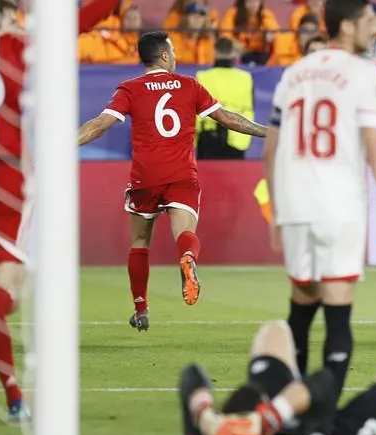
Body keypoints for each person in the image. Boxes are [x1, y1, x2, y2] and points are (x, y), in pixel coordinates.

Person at [77, 31, 269, 332]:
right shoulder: (190, 86)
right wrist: (269, 132)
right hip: (181, 175)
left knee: (140, 242)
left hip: (145, 176)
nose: (176, 55)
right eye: (174, 50)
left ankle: (141, 310)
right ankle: (188, 257)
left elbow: (100, 125)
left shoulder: (129, 88)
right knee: (185, 234)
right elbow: (228, 119)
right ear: (164, 56)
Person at [262, 0, 376, 397]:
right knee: (338, 317)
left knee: (300, 312)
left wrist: (277, 212)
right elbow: (374, 142)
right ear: (347, 26)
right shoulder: (363, 73)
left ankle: (287, 412)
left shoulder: (293, 73)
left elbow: (269, 151)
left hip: (295, 207)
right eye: (367, 20)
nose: (373, 28)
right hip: (338, 205)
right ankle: (322, 421)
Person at [0, 0, 122, 422]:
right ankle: (14, 396)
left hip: (9, 181)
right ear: (10, 13)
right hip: (7, 184)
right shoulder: (21, 44)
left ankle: (13, 395)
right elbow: (81, 18)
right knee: (4, 295)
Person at [178, 321, 376, 435]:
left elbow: (191, 375)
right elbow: (325, 384)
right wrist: (272, 417)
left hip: (282, 415)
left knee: (275, 331)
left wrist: (204, 416)